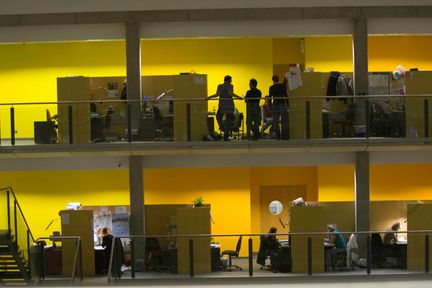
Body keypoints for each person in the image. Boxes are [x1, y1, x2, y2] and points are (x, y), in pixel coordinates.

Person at [208, 75, 243, 141]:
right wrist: (238, 97)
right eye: (231, 80)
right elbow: (230, 93)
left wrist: (209, 97)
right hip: (229, 105)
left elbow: (217, 94)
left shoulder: (220, 86)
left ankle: (222, 128)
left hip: (222, 105)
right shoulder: (230, 86)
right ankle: (226, 135)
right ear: (229, 80)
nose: (231, 82)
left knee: (218, 116)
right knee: (228, 121)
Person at [268, 75, 289, 139]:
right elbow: (286, 95)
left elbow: (270, 97)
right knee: (284, 120)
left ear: (273, 80)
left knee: (276, 121)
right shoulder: (283, 86)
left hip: (275, 104)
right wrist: (288, 104)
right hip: (282, 103)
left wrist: (270, 106)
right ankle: (285, 136)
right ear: (278, 79)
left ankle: (278, 136)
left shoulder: (271, 87)